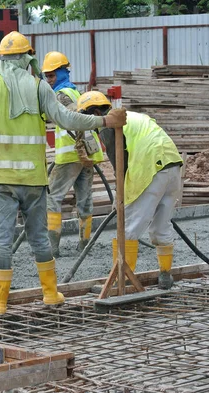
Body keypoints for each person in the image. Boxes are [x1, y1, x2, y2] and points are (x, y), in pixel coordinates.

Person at [0, 31, 127, 316]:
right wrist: (104, 120)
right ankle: (51, 294)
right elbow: (67, 118)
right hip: (35, 180)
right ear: (28, 59)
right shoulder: (39, 88)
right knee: (38, 237)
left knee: (1, 240)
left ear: (1, 59)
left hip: (1, 180)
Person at [77, 91, 183, 290]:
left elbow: (120, 165)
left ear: (96, 112)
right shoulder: (133, 116)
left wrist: (121, 196)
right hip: (172, 165)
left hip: (150, 167)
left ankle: (122, 280)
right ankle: (165, 275)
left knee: (127, 227)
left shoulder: (110, 125)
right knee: (161, 225)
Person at [41, 51, 105, 257]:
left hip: (71, 155)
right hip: (88, 155)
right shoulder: (76, 92)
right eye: (47, 76)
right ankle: (84, 244)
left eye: (52, 75)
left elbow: (74, 119)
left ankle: (52, 249)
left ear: (61, 73)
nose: (49, 80)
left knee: (52, 198)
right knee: (84, 200)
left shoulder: (60, 95)